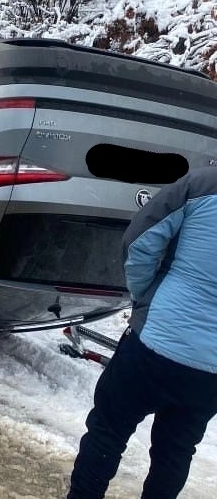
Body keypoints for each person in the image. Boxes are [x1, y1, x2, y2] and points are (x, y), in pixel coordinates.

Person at [66, 167, 217, 499]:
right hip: (210, 371)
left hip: (155, 341)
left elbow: (141, 239)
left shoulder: (201, 184)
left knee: (107, 431)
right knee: (174, 453)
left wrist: (142, 296)